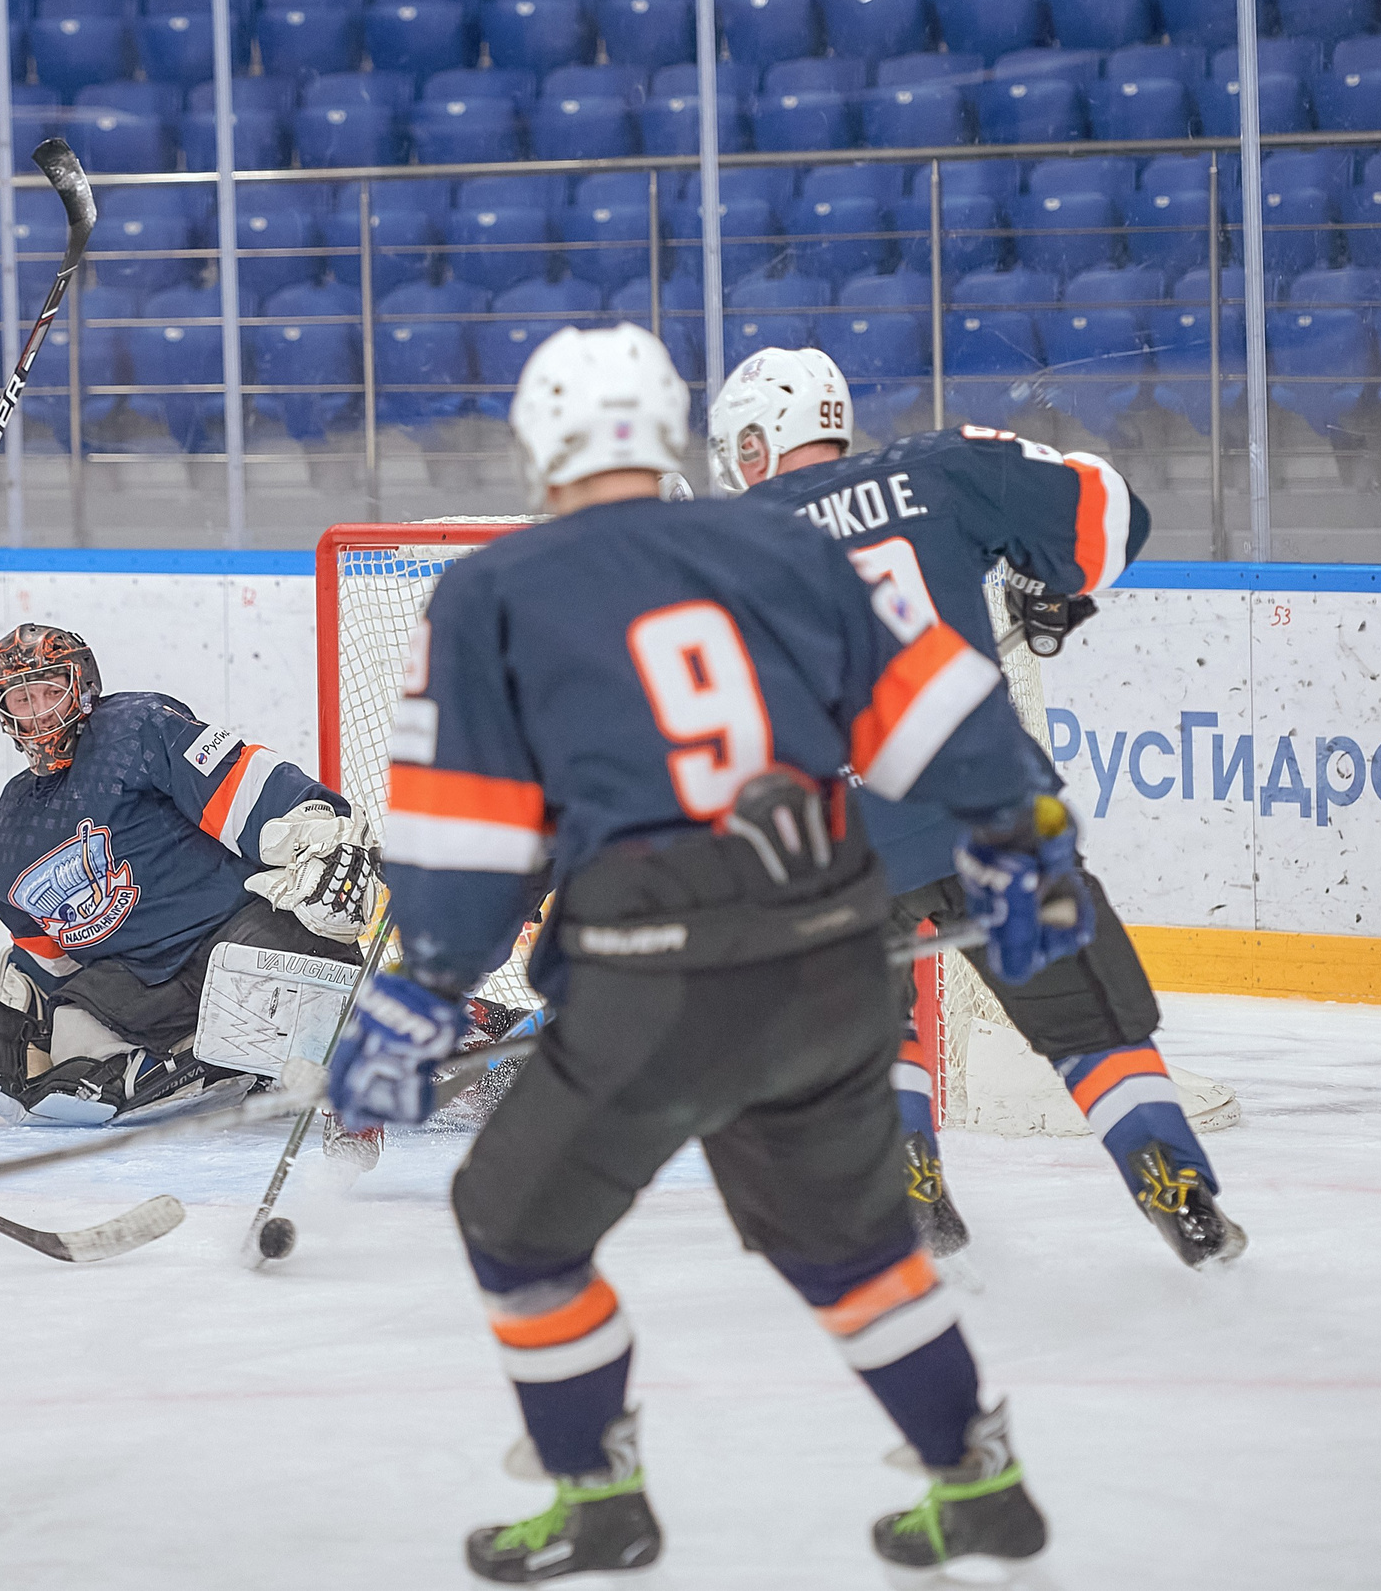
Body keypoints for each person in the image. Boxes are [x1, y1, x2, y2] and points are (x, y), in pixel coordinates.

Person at [327, 323, 1086, 1581]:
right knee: (851, 1250)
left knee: (511, 1224)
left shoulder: (492, 590)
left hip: (653, 982)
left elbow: (467, 836)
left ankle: (598, 1497)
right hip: (837, 961)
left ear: (539, 446)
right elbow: (936, 705)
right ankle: (980, 1477)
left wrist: (419, 990)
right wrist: (1024, 842)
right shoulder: (786, 539)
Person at [713, 346, 1245, 1270]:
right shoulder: (943, 466)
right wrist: (1050, 584)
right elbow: (1113, 516)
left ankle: (912, 1187)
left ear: (755, 446)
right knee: (1089, 1023)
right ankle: (1178, 1194)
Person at [0, 622, 510, 1127]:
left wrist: (322, 838)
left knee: (265, 996)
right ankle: (232, 1063)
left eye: (51, 690)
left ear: (83, 686)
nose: (40, 710)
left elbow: (246, 788)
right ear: (5, 714)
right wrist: (34, 1019)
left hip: (241, 928)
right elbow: (49, 959)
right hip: (148, 974)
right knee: (79, 1045)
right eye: (22, 698)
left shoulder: (135, 729)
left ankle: (482, 1054)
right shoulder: (9, 838)